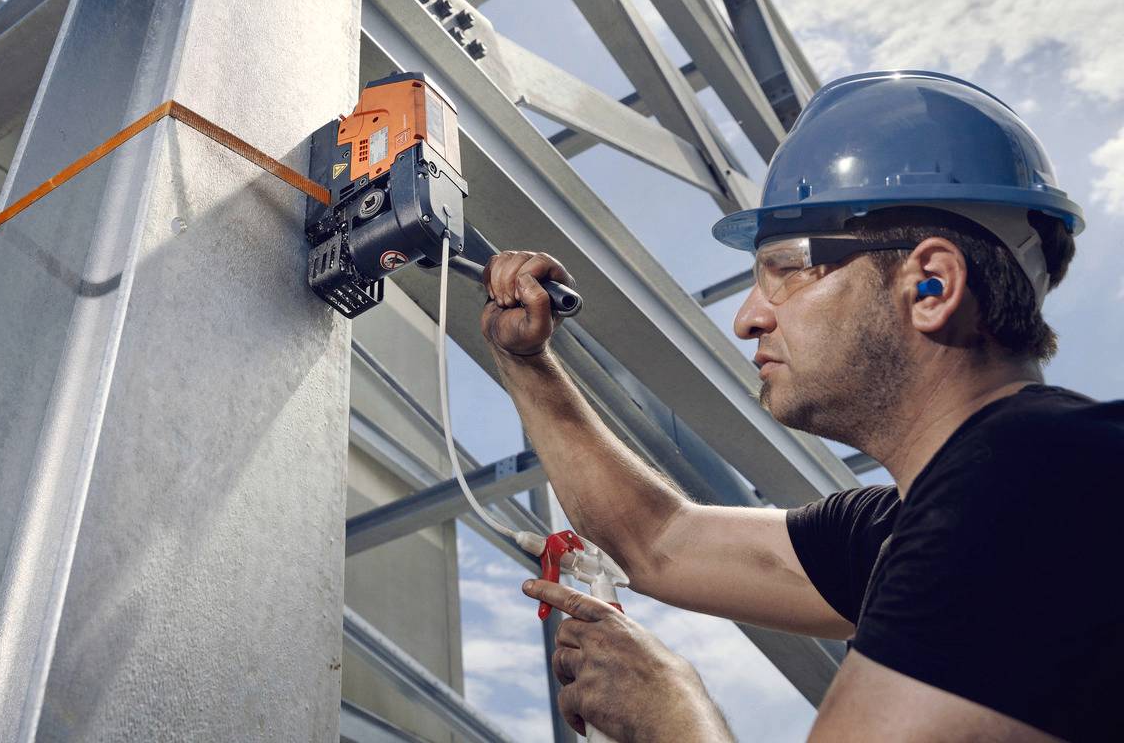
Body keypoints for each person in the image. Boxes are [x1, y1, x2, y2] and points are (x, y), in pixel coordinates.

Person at [480, 71, 1122, 742]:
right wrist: (527, 363)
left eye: (787, 269)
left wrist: (670, 712)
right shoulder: (911, 527)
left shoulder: (1034, 482)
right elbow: (661, 540)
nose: (748, 318)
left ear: (931, 285)